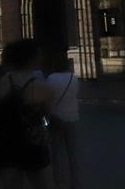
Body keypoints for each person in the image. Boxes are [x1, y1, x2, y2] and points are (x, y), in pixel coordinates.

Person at [0, 39, 52, 189]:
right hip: (32, 141)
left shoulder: (4, 81)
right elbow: (47, 114)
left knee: (11, 183)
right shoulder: (40, 85)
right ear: (31, 59)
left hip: (7, 139)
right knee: (40, 182)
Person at [45, 56, 80, 189]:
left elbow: (48, 97)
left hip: (56, 118)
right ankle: (75, 180)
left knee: (56, 151)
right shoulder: (74, 78)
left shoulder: (51, 78)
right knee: (72, 151)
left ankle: (58, 181)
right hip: (72, 117)